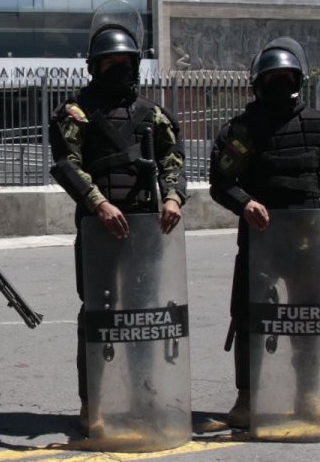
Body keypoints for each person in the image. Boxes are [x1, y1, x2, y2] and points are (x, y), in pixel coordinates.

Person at [208, 37, 320, 429]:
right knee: (248, 319)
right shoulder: (243, 130)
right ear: (259, 83)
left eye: (286, 78)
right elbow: (221, 181)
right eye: (272, 78)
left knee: (309, 320)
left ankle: (308, 398)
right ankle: (247, 398)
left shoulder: (316, 125)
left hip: (307, 237)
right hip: (261, 240)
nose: (279, 84)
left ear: (298, 80)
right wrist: (245, 203)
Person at [48, 23, 187, 433]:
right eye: (110, 63)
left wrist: (174, 197)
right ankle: (93, 403)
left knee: (145, 316)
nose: (118, 69)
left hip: (146, 229)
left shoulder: (153, 114)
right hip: (99, 229)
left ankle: (144, 395)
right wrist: (99, 203)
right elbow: (66, 163)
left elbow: (173, 161)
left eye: (125, 62)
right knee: (98, 315)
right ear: (94, 67)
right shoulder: (75, 112)